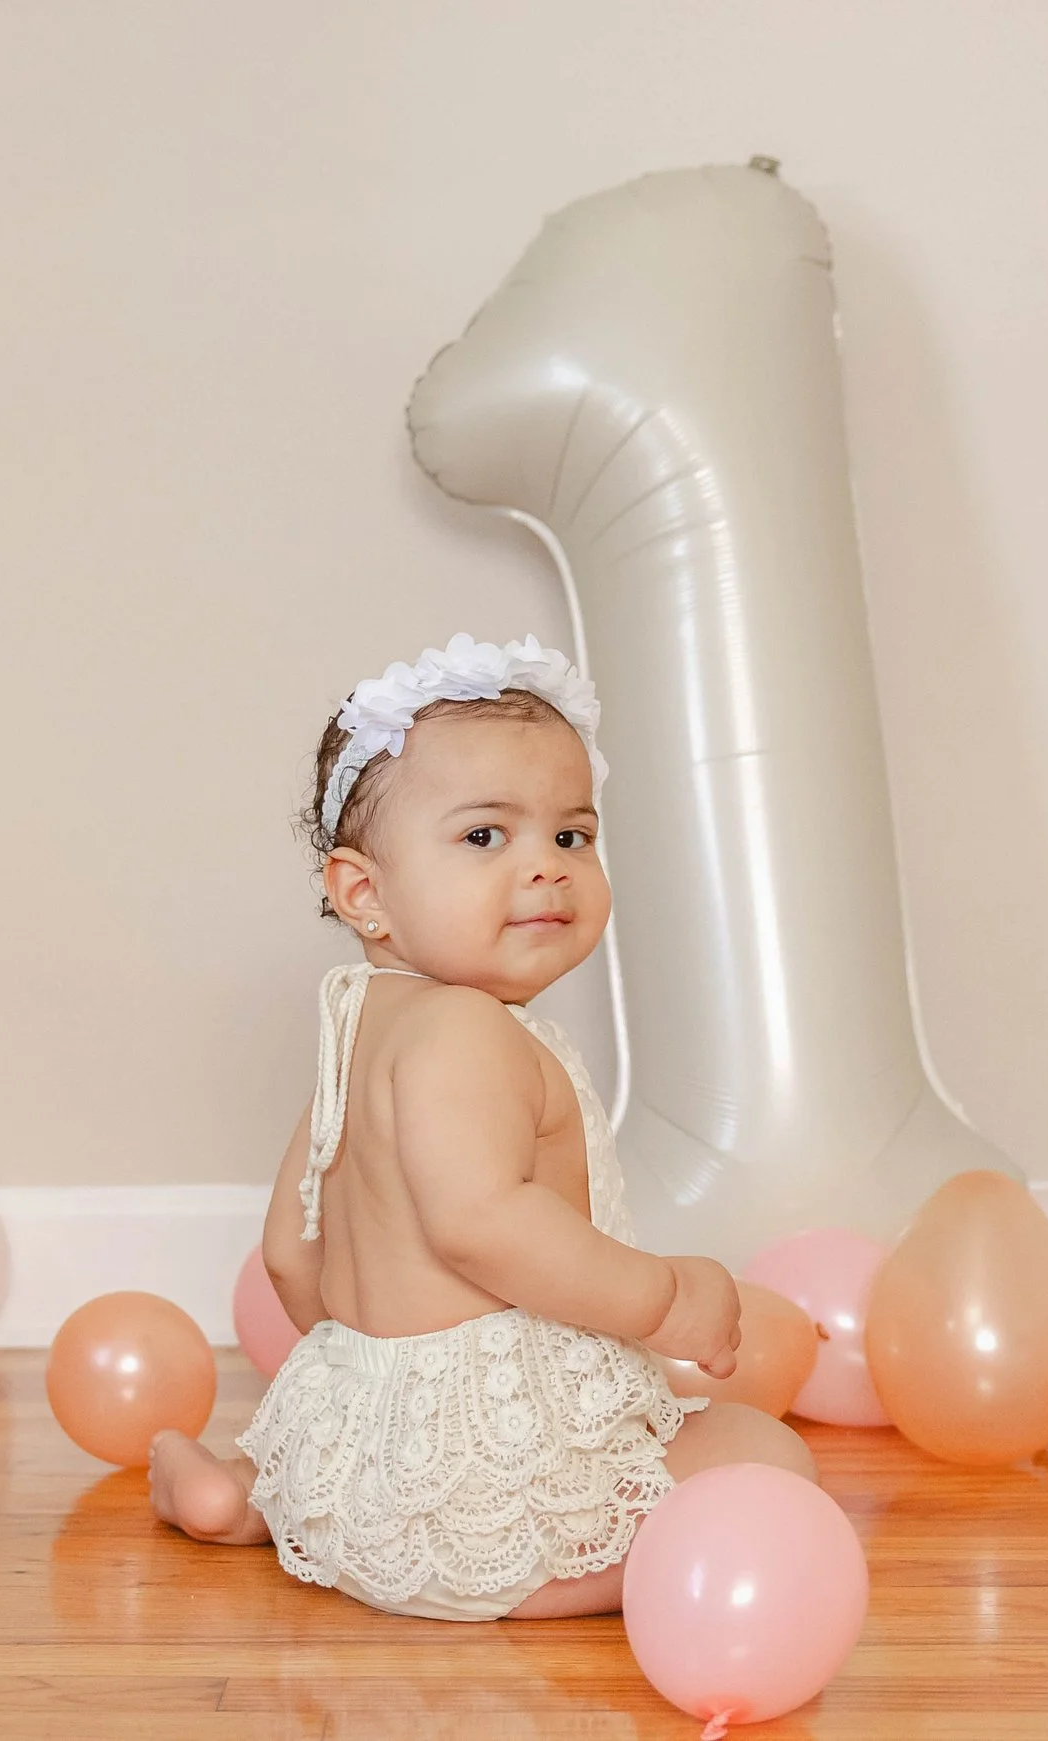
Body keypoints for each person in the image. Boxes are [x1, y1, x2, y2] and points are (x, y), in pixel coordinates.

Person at [148, 633, 816, 1619]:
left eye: (571, 837)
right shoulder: (468, 1029)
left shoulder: (354, 1033)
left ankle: (257, 1496)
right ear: (364, 893)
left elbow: (290, 1250)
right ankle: (513, 1576)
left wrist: (372, 1390)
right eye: (485, 836)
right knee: (762, 1453)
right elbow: (482, 1221)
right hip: (480, 1494)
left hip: (354, 1472)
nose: (545, 868)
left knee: (354, 1483)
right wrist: (666, 1297)